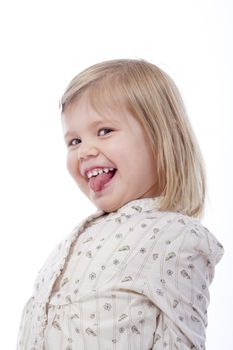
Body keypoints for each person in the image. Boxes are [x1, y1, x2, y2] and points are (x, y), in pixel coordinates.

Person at [17, 59, 224, 350]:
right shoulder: (74, 241)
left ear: (160, 136)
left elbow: (184, 340)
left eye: (104, 131)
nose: (85, 152)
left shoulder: (176, 235)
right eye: (74, 140)